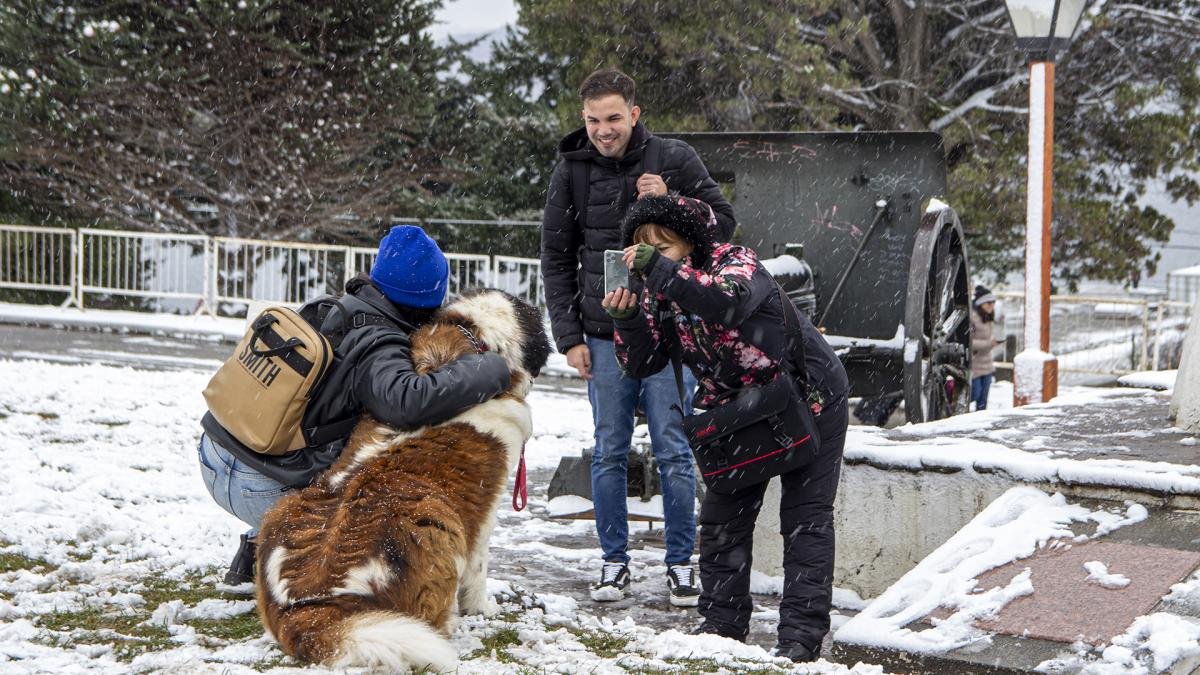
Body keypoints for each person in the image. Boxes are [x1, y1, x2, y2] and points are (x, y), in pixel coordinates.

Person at [604, 195, 850, 663]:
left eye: (663, 243)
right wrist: (629, 318)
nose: (651, 252)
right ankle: (721, 625)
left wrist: (661, 273)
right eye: (641, 243)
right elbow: (643, 362)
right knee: (722, 522)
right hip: (737, 409)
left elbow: (727, 304)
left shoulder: (736, 263)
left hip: (808, 395)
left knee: (805, 519)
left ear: (690, 243)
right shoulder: (657, 290)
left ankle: (800, 638)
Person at [198, 225, 512, 587]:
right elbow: (407, 401)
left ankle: (255, 551)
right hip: (257, 487)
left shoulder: (328, 309)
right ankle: (285, 557)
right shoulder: (379, 343)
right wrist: (489, 369)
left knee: (324, 440)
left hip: (213, 455)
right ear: (427, 300)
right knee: (364, 512)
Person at [540, 67, 736, 607]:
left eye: (613, 119)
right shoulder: (571, 171)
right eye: (593, 120)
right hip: (603, 334)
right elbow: (556, 259)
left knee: (675, 451)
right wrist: (569, 337)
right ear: (584, 119)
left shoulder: (674, 159)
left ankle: (680, 563)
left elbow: (723, 225)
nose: (604, 130)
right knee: (608, 451)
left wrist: (672, 200)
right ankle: (613, 562)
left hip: (672, 331)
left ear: (634, 113)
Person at [971, 285, 999, 410]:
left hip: (987, 364)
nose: (991, 305)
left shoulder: (988, 318)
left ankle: (980, 423)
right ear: (981, 303)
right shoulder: (972, 318)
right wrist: (989, 344)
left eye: (993, 302)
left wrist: (993, 342)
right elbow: (968, 343)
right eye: (988, 303)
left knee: (983, 401)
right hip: (974, 365)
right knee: (974, 394)